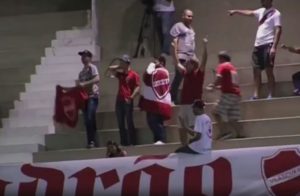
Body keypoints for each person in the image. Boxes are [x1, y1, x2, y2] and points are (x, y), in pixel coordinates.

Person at [228, 0, 282, 99]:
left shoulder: (276, 13)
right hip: (257, 45)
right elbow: (250, 13)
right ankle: (256, 95)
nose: (261, 1)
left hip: (268, 44)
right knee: (256, 70)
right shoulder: (261, 11)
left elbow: (278, 30)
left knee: (268, 70)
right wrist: (236, 11)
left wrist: (274, 47)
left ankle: (271, 94)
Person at [175, 38, 208, 145]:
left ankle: (196, 146)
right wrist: (174, 49)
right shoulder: (186, 73)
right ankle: (183, 146)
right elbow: (177, 63)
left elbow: (204, 60)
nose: (185, 65)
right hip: (183, 104)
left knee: (194, 127)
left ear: (193, 65)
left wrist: (205, 46)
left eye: (188, 63)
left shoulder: (198, 73)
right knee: (181, 126)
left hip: (193, 106)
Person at [206, 51, 243, 140]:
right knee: (233, 117)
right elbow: (230, 83)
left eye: (219, 59)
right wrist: (218, 87)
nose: (218, 61)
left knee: (216, 111)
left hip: (228, 95)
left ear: (221, 58)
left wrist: (212, 86)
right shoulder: (232, 68)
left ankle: (225, 132)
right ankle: (240, 134)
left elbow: (219, 78)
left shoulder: (222, 66)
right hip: (236, 95)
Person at [107, 55, 140, 146]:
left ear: (127, 62)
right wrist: (120, 66)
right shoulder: (121, 74)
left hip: (127, 100)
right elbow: (110, 69)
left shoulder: (133, 74)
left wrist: (132, 97)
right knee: (120, 122)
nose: (121, 63)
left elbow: (137, 87)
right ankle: (124, 142)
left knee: (129, 121)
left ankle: (132, 142)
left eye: (123, 62)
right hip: (119, 100)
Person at [139, 56, 172, 144]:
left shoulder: (162, 71)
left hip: (157, 103)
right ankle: (158, 140)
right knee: (152, 122)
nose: (153, 63)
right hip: (153, 103)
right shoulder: (157, 71)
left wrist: (151, 65)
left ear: (161, 62)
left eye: (155, 61)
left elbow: (147, 77)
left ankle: (162, 140)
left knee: (155, 122)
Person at [170, 9, 196, 104]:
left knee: (191, 79)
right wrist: (177, 62)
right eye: (188, 16)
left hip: (190, 57)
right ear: (183, 16)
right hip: (181, 56)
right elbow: (174, 42)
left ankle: (189, 99)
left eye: (192, 16)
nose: (190, 18)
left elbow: (192, 44)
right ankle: (172, 99)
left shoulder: (191, 29)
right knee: (178, 78)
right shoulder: (178, 26)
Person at [77, 50, 100, 148]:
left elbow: (97, 79)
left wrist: (85, 84)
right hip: (84, 98)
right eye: (82, 56)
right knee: (88, 120)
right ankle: (91, 140)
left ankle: (92, 141)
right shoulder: (81, 73)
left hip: (92, 96)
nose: (83, 58)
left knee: (90, 117)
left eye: (85, 56)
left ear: (90, 58)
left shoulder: (92, 68)